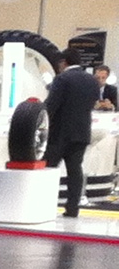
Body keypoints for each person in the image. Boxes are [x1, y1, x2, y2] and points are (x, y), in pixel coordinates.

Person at [44, 46, 99, 218]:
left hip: (60, 132)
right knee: (75, 170)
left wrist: (40, 117)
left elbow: (51, 105)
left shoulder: (62, 79)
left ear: (64, 62)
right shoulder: (92, 80)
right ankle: (73, 207)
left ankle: (43, 204)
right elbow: (93, 102)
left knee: (48, 169)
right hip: (82, 131)